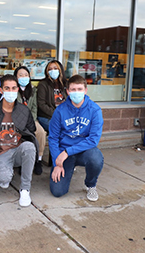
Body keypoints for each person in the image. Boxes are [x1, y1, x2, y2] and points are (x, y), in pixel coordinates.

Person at [0, 75, 38, 207]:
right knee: (4, 181)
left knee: (29, 147)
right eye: (7, 88)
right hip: (1, 153)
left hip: (18, 150)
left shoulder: (24, 110)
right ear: (1, 90)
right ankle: (1, 169)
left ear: (17, 90)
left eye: (14, 88)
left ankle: (25, 189)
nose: (11, 91)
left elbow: (31, 130)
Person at [48, 74, 104, 202]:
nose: (76, 92)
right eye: (73, 89)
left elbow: (93, 140)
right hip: (63, 151)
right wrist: (57, 161)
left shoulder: (94, 110)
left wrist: (68, 152)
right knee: (57, 191)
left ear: (85, 90)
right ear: (67, 92)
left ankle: (90, 184)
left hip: (84, 151)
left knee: (96, 158)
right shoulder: (60, 110)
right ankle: (68, 167)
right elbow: (53, 138)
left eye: (79, 89)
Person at [14, 66, 47, 175]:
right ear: (16, 77)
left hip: (31, 120)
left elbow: (34, 108)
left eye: (26, 75)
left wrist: (30, 122)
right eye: (20, 75)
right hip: (17, 120)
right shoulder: (13, 90)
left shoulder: (33, 90)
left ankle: (39, 159)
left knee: (40, 132)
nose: (24, 77)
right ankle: (21, 162)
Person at [37, 60, 67, 132]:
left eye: (55, 68)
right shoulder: (43, 84)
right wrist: (57, 114)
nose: (53, 71)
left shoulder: (66, 84)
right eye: (50, 69)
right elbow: (41, 104)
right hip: (47, 117)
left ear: (60, 70)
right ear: (47, 72)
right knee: (61, 129)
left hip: (64, 116)